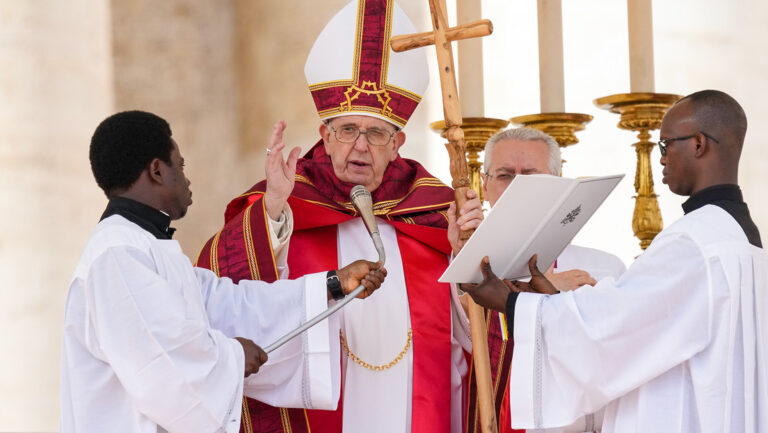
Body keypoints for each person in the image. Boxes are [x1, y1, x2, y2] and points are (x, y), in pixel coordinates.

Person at [195, 1, 484, 432]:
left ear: (398, 141)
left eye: (376, 133)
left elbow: (476, 336)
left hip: (416, 411)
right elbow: (225, 296)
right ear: (325, 138)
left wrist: (468, 261)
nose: (360, 146)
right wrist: (272, 208)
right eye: (347, 131)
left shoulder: (434, 213)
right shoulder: (288, 205)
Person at [61, 110, 387, 433]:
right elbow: (160, 362)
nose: (187, 179)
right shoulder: (118, 253)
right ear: (158, 171)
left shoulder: (147, 247)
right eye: (181, 165)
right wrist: (233, 356)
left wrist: (334, 284)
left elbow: (230, 306)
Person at [463, 90, 768, 433]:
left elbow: (614, 330)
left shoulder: (694, 241)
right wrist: (551, 297)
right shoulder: (734, 233)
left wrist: (510, 302)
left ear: (698, 144)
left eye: (665, 146)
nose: (661, 160)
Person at [463, 127, 626, 433]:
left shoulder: (605, 270)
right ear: (484, 185)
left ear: (560, 184)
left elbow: (616, 361)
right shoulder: (463, 269)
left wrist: (557, 299)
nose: (516, 188)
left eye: (531, 176)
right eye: (504, 175)